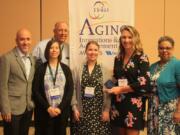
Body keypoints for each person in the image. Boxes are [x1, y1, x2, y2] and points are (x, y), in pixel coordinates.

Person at [106, 25, 151, 135]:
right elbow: (116, 78)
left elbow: (144, 82)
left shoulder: (142, 57)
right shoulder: (118, 58)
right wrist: (107, 85)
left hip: (133, 104)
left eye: (129, 37)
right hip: (117, 104)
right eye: (123, 37)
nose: (126, 40)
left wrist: (121, 90)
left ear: (135, 38)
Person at [32, 39, 73, 135]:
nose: (54, 50)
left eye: (56, 48)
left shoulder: (66, 69)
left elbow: (69, 91)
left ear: (59, 51)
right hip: (44, 112)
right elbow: (36, 90)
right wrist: (48, 108)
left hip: (61, 112)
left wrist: (60, 108)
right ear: (47, 50)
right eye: (51, 48)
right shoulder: (40, 69)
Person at [71, 41, 112, 135]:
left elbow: (109, 91)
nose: (92, 52)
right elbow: (72, 90)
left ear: (98, 52)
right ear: (85, 51)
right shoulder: (77, 70)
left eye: (95, 50)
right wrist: (74, 108)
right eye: (90, 49)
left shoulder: (105, 70)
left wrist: (106, 110)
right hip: (82, 111)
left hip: (99, 111)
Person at [0, 28, 35, 135]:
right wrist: (5, 109)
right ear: (16, 41)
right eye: (22, 39)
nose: (25, 42)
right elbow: (2, 85)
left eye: (28, 39)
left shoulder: (32, 59)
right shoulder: (7, 58)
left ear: (31, 41)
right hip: (12, 109)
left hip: (28, 108)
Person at [147, 36, 180, 135]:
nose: (164, 50)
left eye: (168, 48)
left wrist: (179, 111)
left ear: (173, 49)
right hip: (153, 109)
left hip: (170, 110)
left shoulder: (177, 64)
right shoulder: (152, 67)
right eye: (161, 48)